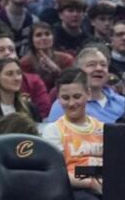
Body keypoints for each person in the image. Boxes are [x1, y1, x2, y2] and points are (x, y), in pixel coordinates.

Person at [43, 68, 104, 200]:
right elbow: (55, 173)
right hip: (73, 190)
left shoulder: (102, 128)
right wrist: (90, 183)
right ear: (58, 98)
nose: (71, 103)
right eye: (65, 98)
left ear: (88, 94)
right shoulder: (54, 130)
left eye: (77, 97)